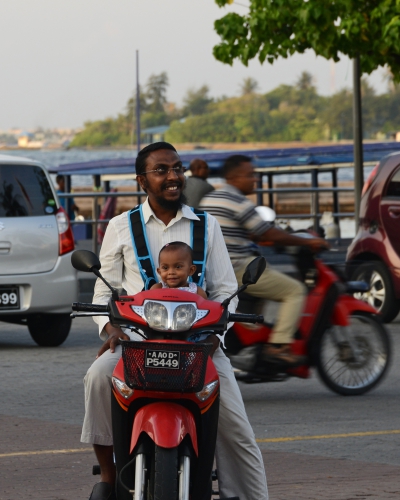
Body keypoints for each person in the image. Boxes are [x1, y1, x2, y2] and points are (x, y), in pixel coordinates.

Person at [83, 143, 268, 500]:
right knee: (96, 376)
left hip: (199, 347)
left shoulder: (206, 225)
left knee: (238, 431)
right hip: (135, 345)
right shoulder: (121, 227)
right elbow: (102, 293)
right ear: (142, 180)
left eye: (177, 168)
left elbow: (226, 290)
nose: (173, 177)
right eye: (162, 170)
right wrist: (111, 330)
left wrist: (215, 341)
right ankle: (108, 476)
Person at [199, 155, 329, 366]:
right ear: (233, 177)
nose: (255, 180)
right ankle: (278, 346)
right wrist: (308, 242)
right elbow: (269, 233)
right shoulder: (238, 201)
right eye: (250, 175)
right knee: (294, 290)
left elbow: (250, 232)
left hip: (213, 270)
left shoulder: (210, 199)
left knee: (265, 282)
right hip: (237, 268)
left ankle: (254, 342)